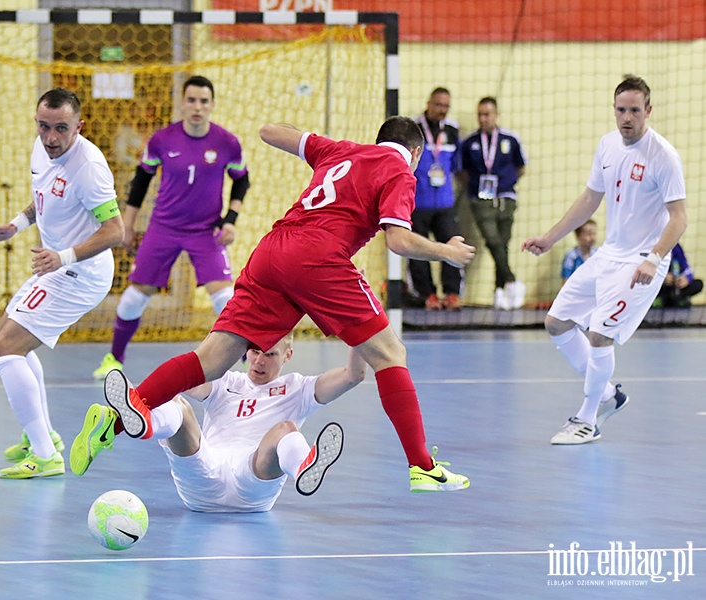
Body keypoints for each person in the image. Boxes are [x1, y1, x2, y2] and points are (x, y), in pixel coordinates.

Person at [93, 116, 476, 493]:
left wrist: (314, 139)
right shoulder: (398, 169)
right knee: (391, 354)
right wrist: (447, 252)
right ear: (415, 152)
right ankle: (422, 466)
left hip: (272, 250)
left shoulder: (340, 150)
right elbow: (399, 241)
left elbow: (267, 131)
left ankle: (123, 413)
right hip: (319, 256)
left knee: (213, 360)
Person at [522, 74, 687, 445]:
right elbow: (589, 199)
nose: (626, 118)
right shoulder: (608, 145)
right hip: (609, 255)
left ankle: (588, 418)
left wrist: (654, 257)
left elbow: (679, 218)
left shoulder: (664, 156)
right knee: (556, 322)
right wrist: (550, 238)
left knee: (599, 335)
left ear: (648, 111)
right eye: (620, 110)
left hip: (642, 263)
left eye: (634, 111)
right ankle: (610, 396)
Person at [0, 88, 125, 478]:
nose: (51, 137)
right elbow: (42, 199)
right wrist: (15, 225)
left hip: (81, 273)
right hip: (55, 265)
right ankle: (43, 436)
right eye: (43, 126)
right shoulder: (41, 148)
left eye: (60, 128)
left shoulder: (89, 168)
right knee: (9, 336)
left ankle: (45, 455)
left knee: (6, 348)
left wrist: (63, 256)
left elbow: (115, 232)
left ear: (79, 126)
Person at [72, 335, 364, 511]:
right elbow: (186, 378)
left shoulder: (299, 388)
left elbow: (354, 375)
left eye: (271, 354)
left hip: (254, 485)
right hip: (203, 482)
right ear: (245, 351)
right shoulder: (226, 380)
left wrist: (357, 322)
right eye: (254, 351)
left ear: (288, 354)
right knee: (178, 404)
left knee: (285, 429)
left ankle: (303, 467)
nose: (259, 361)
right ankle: (143, 422)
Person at [93, 75, 250, 379]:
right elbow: (140, 182)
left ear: (212, 105)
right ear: (182, 103)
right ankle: (114, 358)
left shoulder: (227, 143)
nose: (197, 107)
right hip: (163, 228)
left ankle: (248, 360)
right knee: (135, 296)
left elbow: (242, 180)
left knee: (227, 300)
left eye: (204, 101)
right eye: (191, 100)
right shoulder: (162, 140)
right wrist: (126, 224)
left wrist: (230, 220)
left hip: (206, 231)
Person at [459, 97, 528, 310]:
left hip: (506, 197)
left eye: (487, 114)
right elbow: (462, 172)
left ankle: (499, 291)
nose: (483, 118)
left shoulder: (511, 139)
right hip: (481, 199)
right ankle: (512, 280)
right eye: (479, 114)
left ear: (496, 115)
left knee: (503, 243)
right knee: (492, 240)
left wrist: (506, 184)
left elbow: (521, 167)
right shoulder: (469, 142)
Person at [409, 87, 464, 310]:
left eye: (446, 106)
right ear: (428, 103)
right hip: (417, 202)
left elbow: (457, 165)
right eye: (438, 104)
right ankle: (427, 294)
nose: (442, 110)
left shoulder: (452, 130)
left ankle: (452, 293)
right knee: (418, 250)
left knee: (452, 247)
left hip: (445, 203)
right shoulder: (413, 129)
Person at [653, 244, 703, 308]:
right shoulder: (652, 246)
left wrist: (686, 279)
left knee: (698, 284)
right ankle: (659, 299)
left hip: (674, 284)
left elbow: (687, 269)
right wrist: (661, 277)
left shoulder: (675, 247)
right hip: (659, 284)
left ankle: (678, 298)